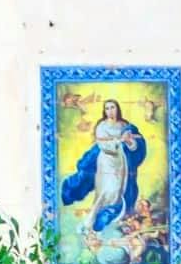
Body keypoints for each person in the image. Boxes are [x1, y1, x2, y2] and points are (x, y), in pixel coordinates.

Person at [59, 100, 147, 234]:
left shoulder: (125, 125)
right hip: (106, 161)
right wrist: (119, 141)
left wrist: (130, 142)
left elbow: (135, 145)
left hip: (120, 161)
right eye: (107, 108)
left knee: (118, 190)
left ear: (117, 109)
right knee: (107, 191)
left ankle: (108, 221)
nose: (110, 110)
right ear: (104, 111)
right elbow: (103, 145)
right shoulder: (102, 126)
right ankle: (90, 221)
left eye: (113, 107)